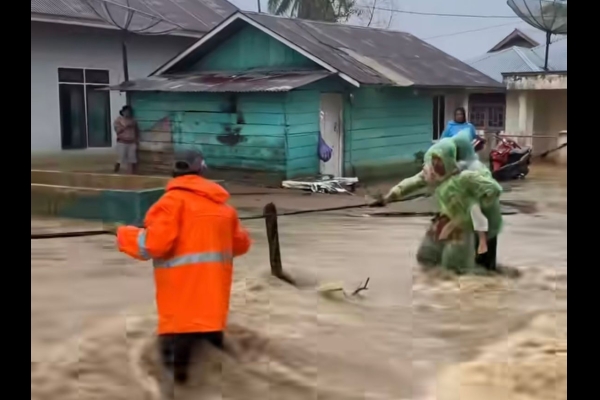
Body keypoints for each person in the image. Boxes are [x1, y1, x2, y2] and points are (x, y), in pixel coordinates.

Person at [108, 149, 252, 390]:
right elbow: (242, 244)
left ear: (173, 172)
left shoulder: (169, 204)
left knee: (175, 381)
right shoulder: (225, 211)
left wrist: (122, 233)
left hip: (179, 316)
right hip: (212, 315)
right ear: (202, 170)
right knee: (216, 377)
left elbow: (151, 246)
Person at [369, 130, 502, 273]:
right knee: (428, 256)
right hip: (451, 216)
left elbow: (492, 191)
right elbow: (413, 182)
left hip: (479, 222)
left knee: (478, 267)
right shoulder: (436, 170)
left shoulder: (472, 172)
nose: (432, 168)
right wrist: (388, 198)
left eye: (437, 163)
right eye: (432, 162)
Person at [113, 105, 139, 174]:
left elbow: (136, 131)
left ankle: (130, 174)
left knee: (132, 159)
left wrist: (136, 140)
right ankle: (117, 168)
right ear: (123, 112)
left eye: (129, 112)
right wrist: (125, 126)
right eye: (126, 112)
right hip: (122, 142)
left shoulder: (133, 121)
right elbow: (117, 131)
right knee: (121, 158)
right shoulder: (118, 120)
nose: (127, 113)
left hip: (132, 142)